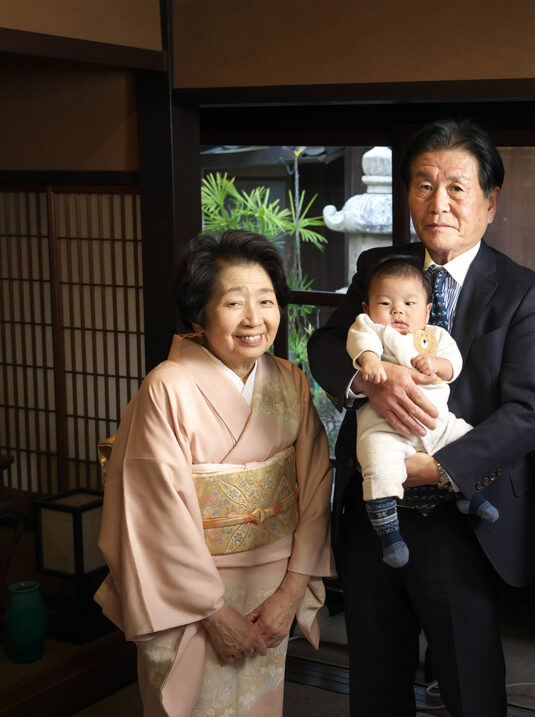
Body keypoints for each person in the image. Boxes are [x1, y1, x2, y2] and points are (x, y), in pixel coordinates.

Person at [308, 118, 535, 717]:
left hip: (462, 517)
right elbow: (326, 344)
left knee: (471, 687)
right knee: (375, 682)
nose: (437, 202)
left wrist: (440, 468)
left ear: (490, 202)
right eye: (423, 185)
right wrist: (371, 380)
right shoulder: (380, 266)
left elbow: (533, 409)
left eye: (456, 187)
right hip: (375, 512)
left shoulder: (522, 291)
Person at [95, 230, 335, 717]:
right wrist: (214, 613)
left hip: (272, 584)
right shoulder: (167, 388)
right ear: (198, 315)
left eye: (266, 300)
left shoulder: (289, 380)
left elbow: (314, 487)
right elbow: (154, 515)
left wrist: (292, 592)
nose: (255, 318)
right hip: (190, 596)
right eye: (234, 302)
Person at [347, 256, 498, 568]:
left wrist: (436, 364)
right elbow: (361, 342)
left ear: (427, 311)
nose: (397, 311)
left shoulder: (436, 336)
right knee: (378, 460)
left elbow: (453, 365)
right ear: (367, 308)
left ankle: (470, 495)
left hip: (436, 422)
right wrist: (370, 361)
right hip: (385, 425)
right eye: (385, 303)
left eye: (409, 303)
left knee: (467, 440)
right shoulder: (371, 327)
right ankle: (389, 534)